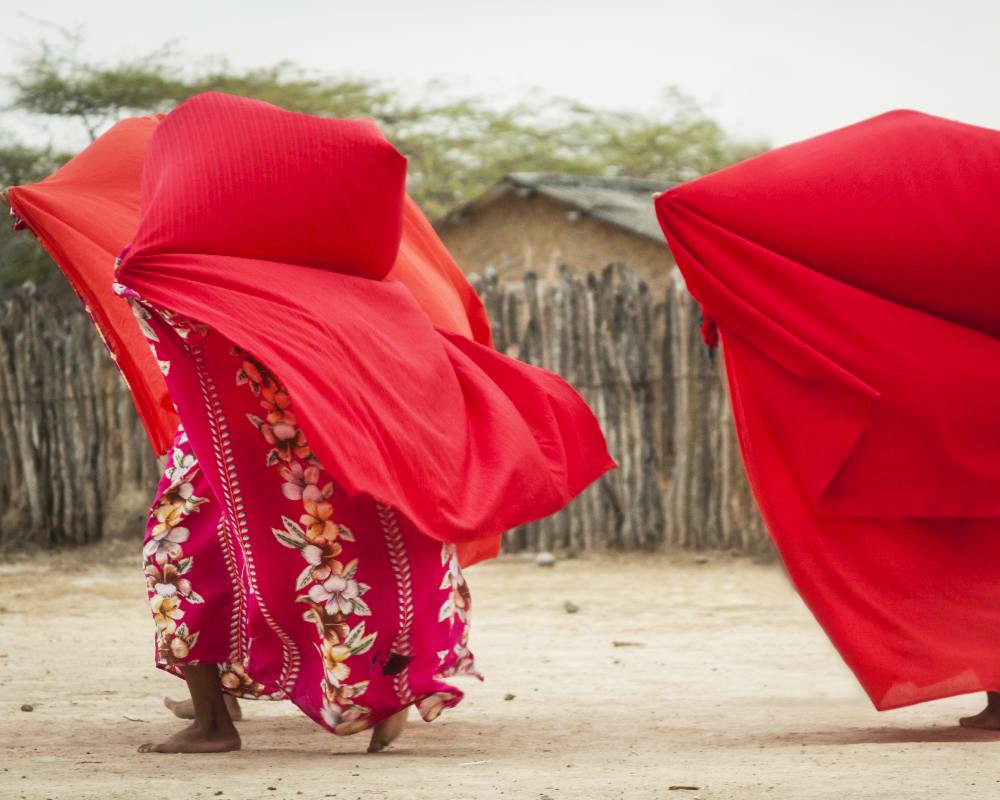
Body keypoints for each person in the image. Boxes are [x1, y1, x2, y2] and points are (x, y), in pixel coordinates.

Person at [7, 92, 614, 753]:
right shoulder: (319, 282)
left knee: (187, 556)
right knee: (334, 548)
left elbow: (152, 296)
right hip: (292, 445)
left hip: (254, 450)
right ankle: (350, 693)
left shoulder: (210, 271)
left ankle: (224, 720)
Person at [655, 109, 1000, 728]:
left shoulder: (924, 193)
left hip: (936, 394)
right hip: (955, 391)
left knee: (976, 553)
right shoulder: (953, 200)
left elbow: (694, 209)